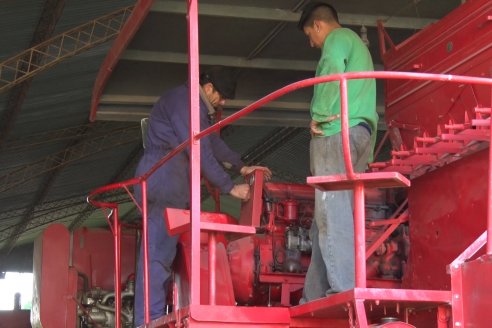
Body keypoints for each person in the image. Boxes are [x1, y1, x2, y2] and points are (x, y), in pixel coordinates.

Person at [133, 66, 272, 326]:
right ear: (208, 89)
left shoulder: (191, 105)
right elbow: (200, 149)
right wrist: (229, 187)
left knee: (162, 256)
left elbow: (212, 143)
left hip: (171, 183)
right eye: (222, 97)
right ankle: (147, 322)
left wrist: (241, 166)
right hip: (164, 181)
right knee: (157, 258)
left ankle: (152, 318)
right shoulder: (186, 103)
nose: (222, 102)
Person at [297, 2, 378, 302]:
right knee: (329, 216)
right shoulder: (360, 48)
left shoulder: (336, 39)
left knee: (331, 214)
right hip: (361, 133)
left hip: (336, 133)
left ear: (318, 25)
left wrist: (318, 115)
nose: (311, 42)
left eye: (310, 35)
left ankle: (343, 289)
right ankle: (314, 295)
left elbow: (331, 67)